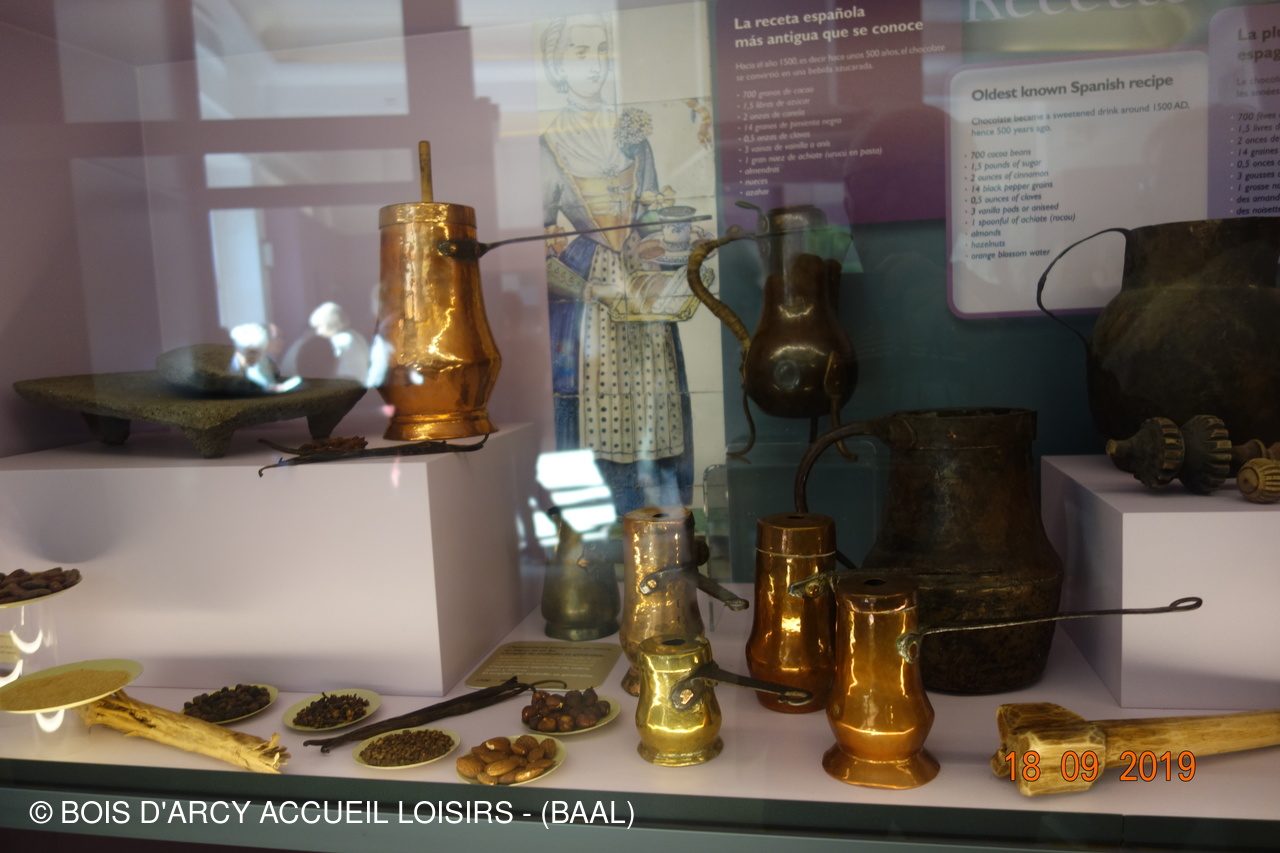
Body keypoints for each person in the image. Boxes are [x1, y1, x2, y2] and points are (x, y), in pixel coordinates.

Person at [540, 13, 696, 515]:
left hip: (642, 299)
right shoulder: (549, 144)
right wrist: (592, 280)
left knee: (657, 414)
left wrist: (668, 243)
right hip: (588, 307)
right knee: (594, 426)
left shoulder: (633, 135)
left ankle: (662, 526)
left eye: (601, 51)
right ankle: (600, 539)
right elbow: (540, 243)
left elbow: (648, 221)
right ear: (557, 66)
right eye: (579, 52)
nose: (593, 65)